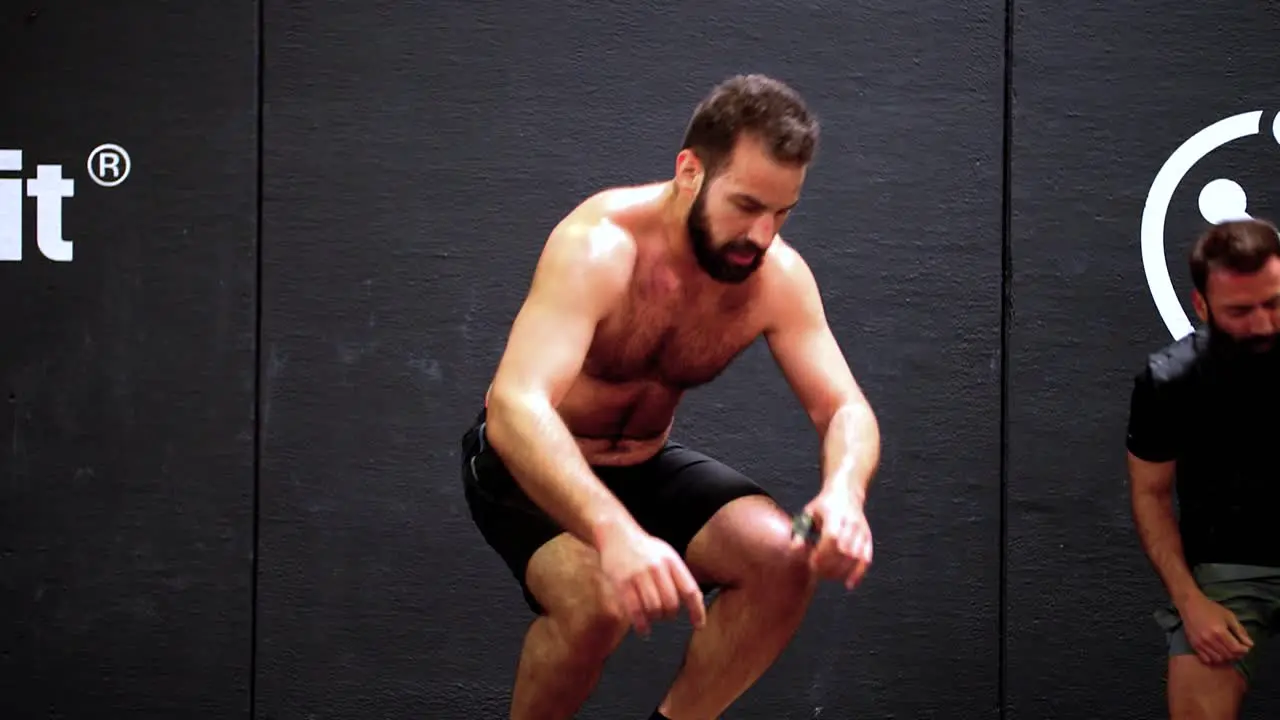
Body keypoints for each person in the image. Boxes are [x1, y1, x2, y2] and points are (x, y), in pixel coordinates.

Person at [459, 74, 881, 720]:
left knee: (783, 558)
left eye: (782, 213)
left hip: (642, 466)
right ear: (689, 171)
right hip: (526, 464)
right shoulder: (599, 247)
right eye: (745, 205)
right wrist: (614, 532)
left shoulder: (777, 278)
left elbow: (845, 409)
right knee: (598, 602)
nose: (762, 236)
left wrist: (845, 492)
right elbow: (518, 406)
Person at [1127, 217, 1280, 719]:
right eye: (1240, 311)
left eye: (1275, 303)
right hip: (1231, 564)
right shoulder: (1169, 381)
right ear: (1202, 305)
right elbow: (1150, 495)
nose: (1262, 324)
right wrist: (1190, 603)